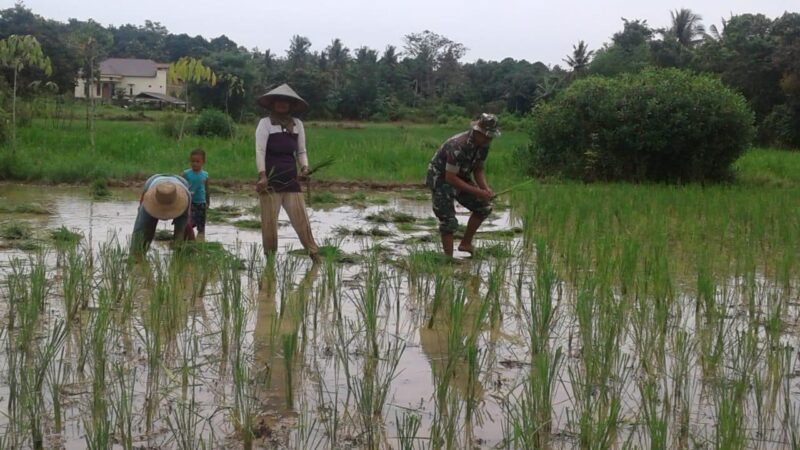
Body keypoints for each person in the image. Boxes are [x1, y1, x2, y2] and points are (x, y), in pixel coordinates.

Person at [255, 83, 320, 261]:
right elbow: (260, 150)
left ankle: (314, 254)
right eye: (279, 101)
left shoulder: (297, 124)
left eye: (286, 102)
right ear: (273, 104)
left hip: (291, 180)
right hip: (270, 181)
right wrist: (262, 175)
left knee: (302, 222)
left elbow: (301, 151)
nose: (282, 105)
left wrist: (305, 167)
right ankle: (269, 261)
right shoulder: (265, 123)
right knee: (269, 225)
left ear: (291, 105)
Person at [426, 113, 500, 257]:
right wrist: (477, 192)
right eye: (487, 135)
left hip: (460, 175)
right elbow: (450, 178)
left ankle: (465, 244)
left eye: (491, 136)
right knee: (449, 221)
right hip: (441, 178)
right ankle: (449, 259)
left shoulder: (483, 145)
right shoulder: (458, 146)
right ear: (478, 132)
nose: (489, 139)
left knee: (483, 207)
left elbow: (478, 168)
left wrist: (485, 189)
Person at [130, 174, 191, 256]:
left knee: (180, 233)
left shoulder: (186, 196)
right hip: (153, 180)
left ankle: (179, 255)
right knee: (146, 227)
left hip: (181, 182)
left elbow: (184, 222)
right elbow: (139, 228)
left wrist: (178, 241)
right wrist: (135, 252)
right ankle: (138, 253)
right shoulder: (148, 199)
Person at [183, 148, 210, 242]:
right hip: (190, 202)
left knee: (201, 225)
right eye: (193, 161)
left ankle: (200, 241)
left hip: (201, 203)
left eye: (198, 161)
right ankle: (188, 239)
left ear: (203, 162)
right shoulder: (186, 174)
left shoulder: (205, 175)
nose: (195, 163)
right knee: (188, 222)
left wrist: (207, 202)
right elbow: (181, 187)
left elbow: (206, 189)